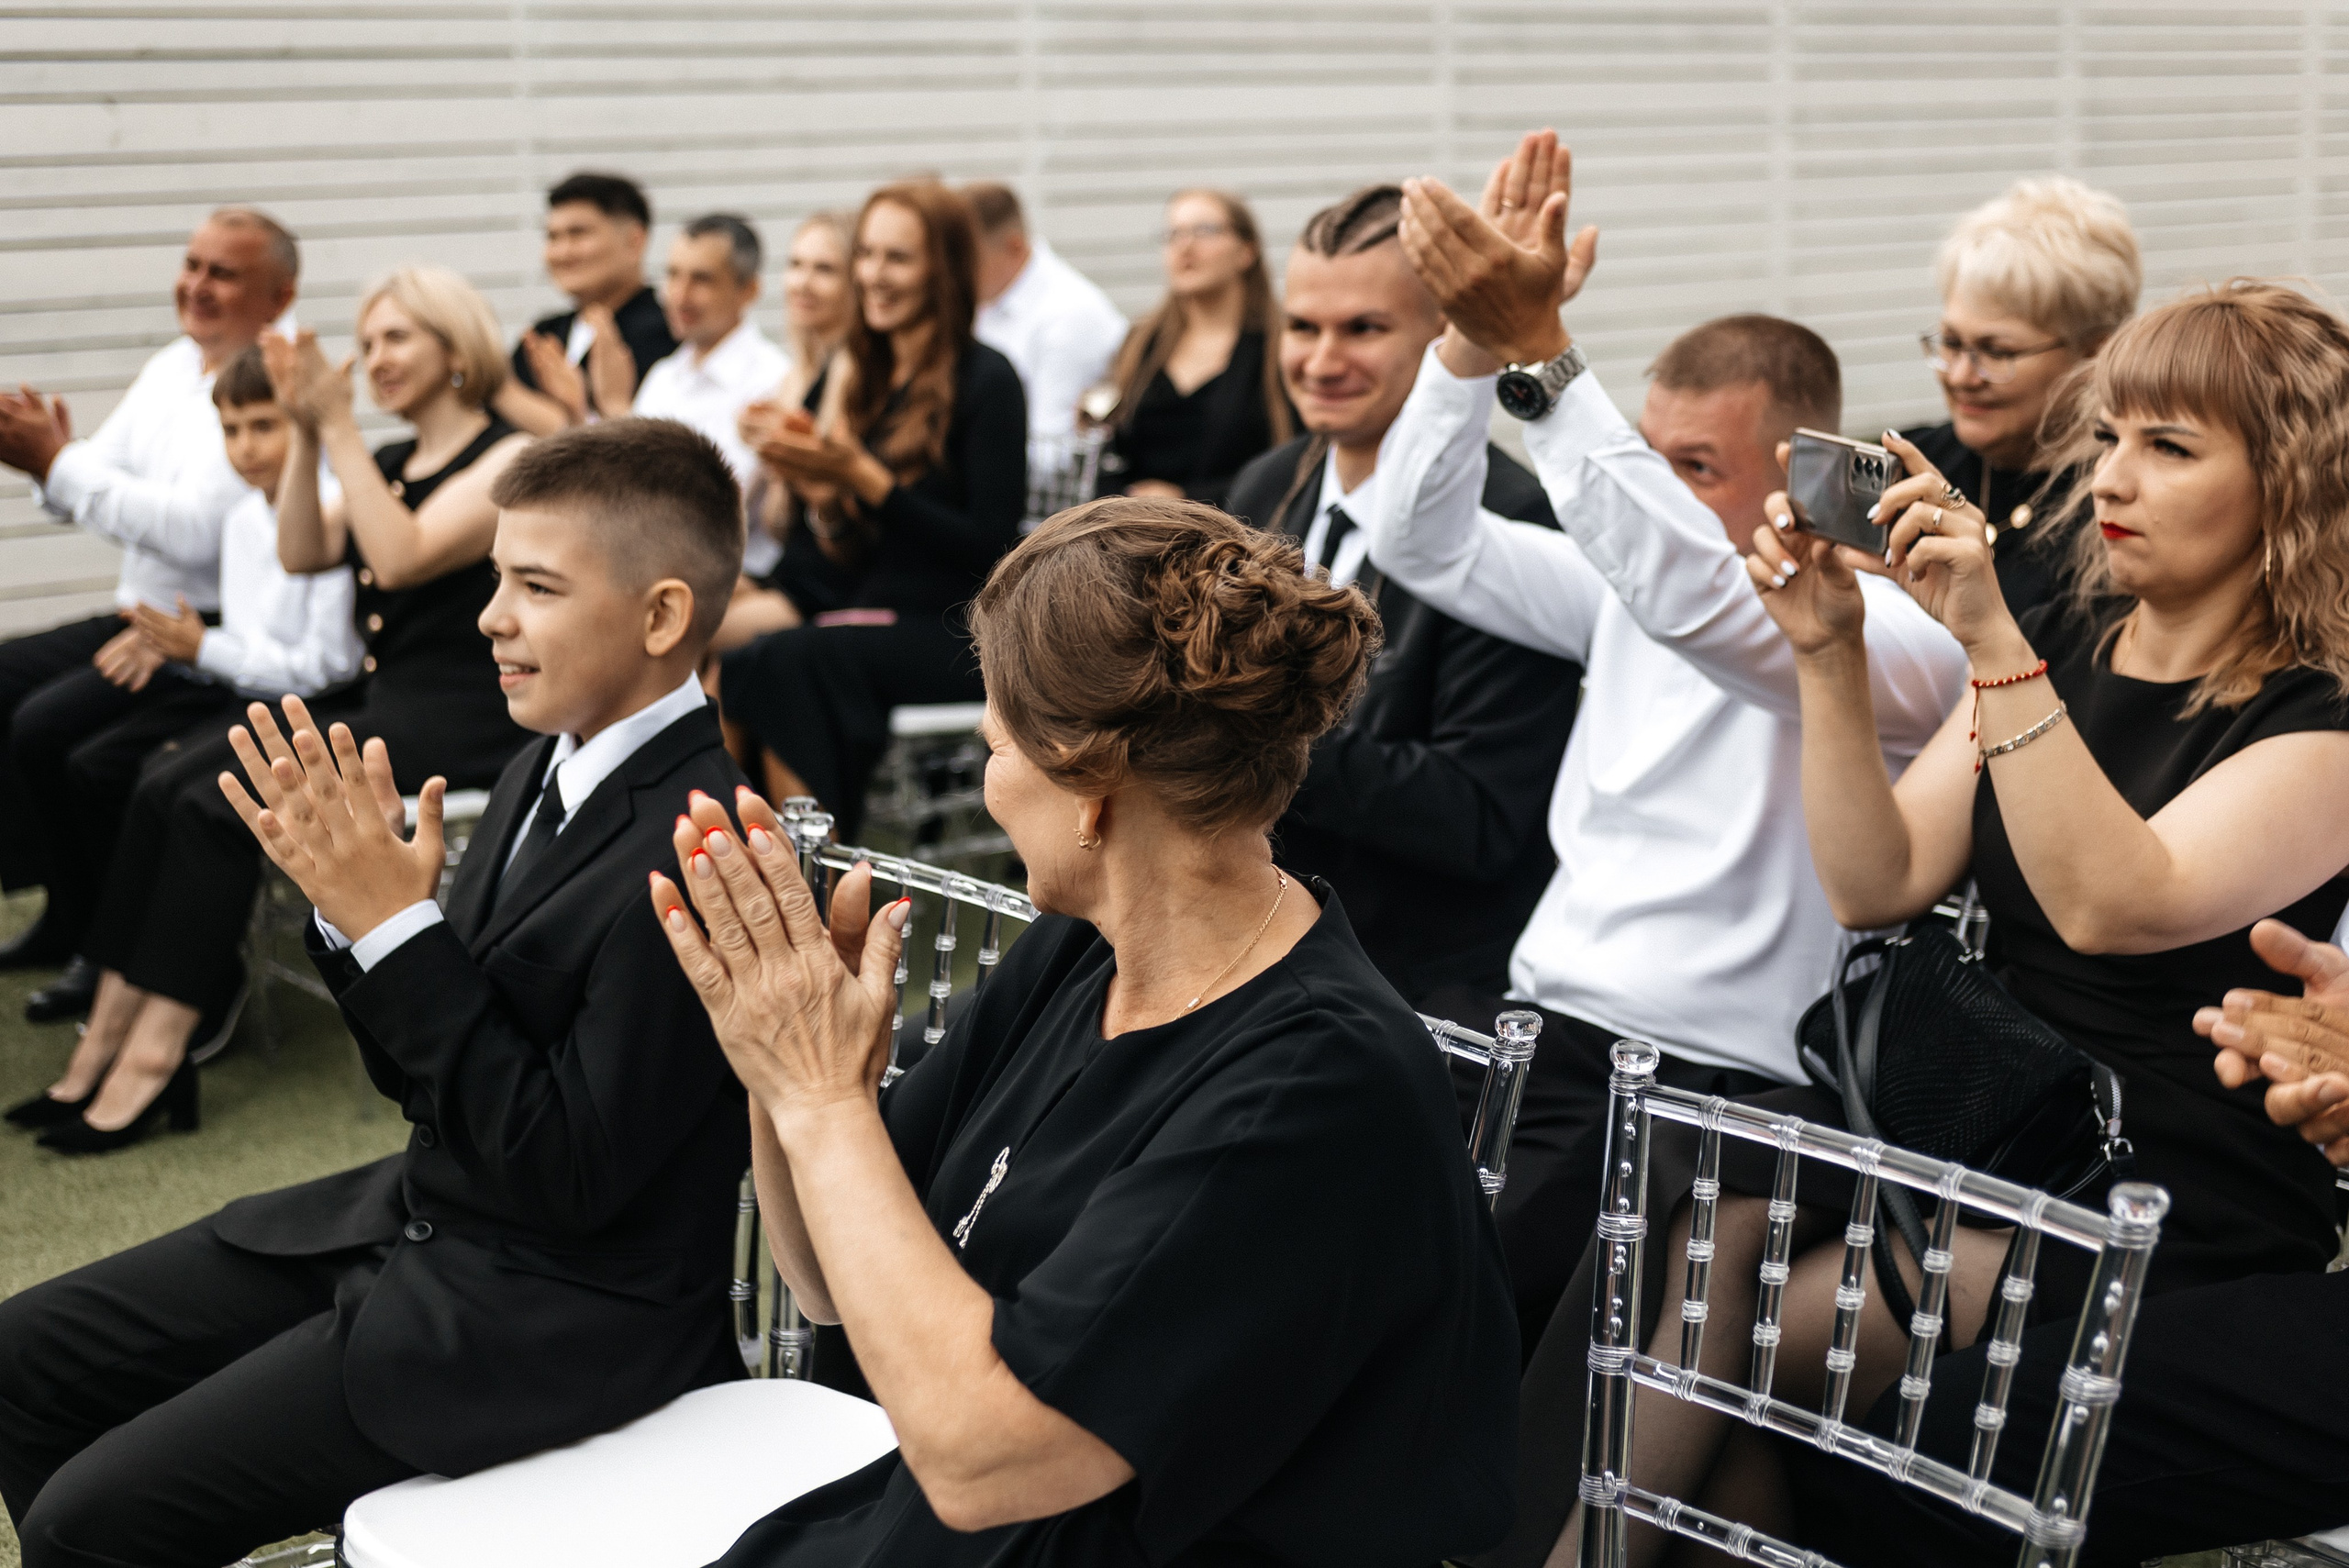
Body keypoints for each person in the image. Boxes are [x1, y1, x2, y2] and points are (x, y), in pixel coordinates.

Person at [1537, 279, 2349, 1568]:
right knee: (1719, 1242)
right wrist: (1826, 653)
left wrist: (1986, 634)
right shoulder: (2076, 643)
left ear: (2292, 486)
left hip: (2160, 1191)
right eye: (2110, 439)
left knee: (1729, 1323)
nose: (2111, 481)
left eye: (2170, 447)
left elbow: (2108, 900)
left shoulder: (2318, 720)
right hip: (1987, 1142)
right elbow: (1878, 877)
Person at [653, 498, 1520, 1568]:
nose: (988, 776)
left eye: (997, 742)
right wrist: (783, 1073)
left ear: (1091, 782)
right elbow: (828, 1282)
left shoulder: (1315, 1083)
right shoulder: (1082, 951)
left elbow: (986, 1457)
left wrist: (828, 1100)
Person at [0, 417, 753, 1568]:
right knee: (22, 1355)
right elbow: (420, 1078)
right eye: (495, 576)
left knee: (82, 1522)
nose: (492, 615)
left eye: (535, 585)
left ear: (661, 616)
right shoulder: (540, 767)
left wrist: (399, 930)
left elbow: (566, 1175)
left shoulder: (705, 844)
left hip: (549, 1311)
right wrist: (364, 923)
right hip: (409, 1219)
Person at [1359, 130, 1966, 1355]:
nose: (1659, 489)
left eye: (1696, 466)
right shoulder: (1624, 590)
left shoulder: (1906, 643)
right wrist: (1474, 346)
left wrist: (1545, 356)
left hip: (1718, 1096)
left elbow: (1710, 610)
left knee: (1441, 1345)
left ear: (1798, 471)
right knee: (1358, 1276)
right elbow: (1416, 538)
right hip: (1538, 1036)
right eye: (1653, 454)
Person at [20, 266, 529, 1153]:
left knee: (225, 799)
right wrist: (304, 431)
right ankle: (102, 1040)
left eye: (397, 337)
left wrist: (335, 427)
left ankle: (158, 1056)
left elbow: (401, 555)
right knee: (166, 779)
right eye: (367, 342)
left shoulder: (509, 454)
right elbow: (300, 548)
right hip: (390, 698)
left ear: (458, 347)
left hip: (462, 711)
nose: (375, 358)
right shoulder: (396, 460)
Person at [1774, 917, 2349, 1566]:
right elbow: (1868, 890)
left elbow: (2095, 900)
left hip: (2170, 1174)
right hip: (2023, 1099)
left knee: (1939, 1446)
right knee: (1711, 1208)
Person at [1223, 183, 1580, 1005]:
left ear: (1445, 340)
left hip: (1419, 993)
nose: (1320, 360)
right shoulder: (1269, 482)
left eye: (1364, 329)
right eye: (1303, 327)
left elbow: (1480, 816)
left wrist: (1235, 725)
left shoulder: (1516, 524)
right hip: (1255, 951)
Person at [1, 348, 360, 1100]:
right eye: (232, 429)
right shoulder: (240, 518)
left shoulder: (328, 511)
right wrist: (177, 644)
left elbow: (322, 667)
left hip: (305, 712)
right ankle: (113, 968)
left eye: (266, 426)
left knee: (159, 782)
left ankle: (198, 980)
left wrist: (200, 646)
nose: (247, 446)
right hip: (239, 687)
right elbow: (239, 649)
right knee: (95, 762)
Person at [0, 207, 298, 980]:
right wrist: (55, 464)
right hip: (146, 610)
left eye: (221, 273)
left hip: (216, 627)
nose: (195, 285)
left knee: (48, 728)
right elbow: (92, 477)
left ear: (279, 293)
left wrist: (60, 463)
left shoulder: (276, 382)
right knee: (8, 682)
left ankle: (101, 937)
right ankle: (69, 910)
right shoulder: (174, 364)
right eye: (192, 264)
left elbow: (193, 531)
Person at [719, 180, 1026, 838]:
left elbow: (991, 551)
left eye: (897, 258)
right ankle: (741, 857)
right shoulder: (858, 373)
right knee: (750, 659)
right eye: (867, 255)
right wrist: (823, 494)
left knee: (787, 658)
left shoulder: (989, 379)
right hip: (864, 608)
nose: (873, 276)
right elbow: (847, 547)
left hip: (951, 628)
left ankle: (810, 877)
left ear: (940, 270)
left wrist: (866, 478)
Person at [1903, 176, 2143, 616]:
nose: (1960, 376)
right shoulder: (1910, 464)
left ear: (2095, 353)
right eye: (1952, 343)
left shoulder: (2120, 517)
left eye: (1997, 352)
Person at [1095, 189, 1291, 507]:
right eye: (1173, 234)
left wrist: (1189, 500)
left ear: (1247, 251)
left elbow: (1291, 464)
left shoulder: (1277, 347)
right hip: (1137, 538)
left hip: (1238, 539)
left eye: (1206, 231)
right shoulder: (1141, 344)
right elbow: (1111, 457)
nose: (1185, 246)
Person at [721, 212, 860, 652]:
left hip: (831, 587)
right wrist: (766, 453)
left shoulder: (858, 374)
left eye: (824, 269)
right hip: (789, 572)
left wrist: (791, 456)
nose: (802, 282)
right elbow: (776, 523)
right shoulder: (799, 374)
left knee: (688, 638)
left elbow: (845, 524)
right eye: (796, 265)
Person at [964, 181, 1130, 488]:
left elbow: (1052, 456)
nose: (957, 274)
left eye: (968, 260)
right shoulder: (989, 298)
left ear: (1015, 246)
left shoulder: (1069, 316)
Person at [495, 171, 678, 435]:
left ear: (634, 242)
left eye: (578, 234)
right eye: (553, 237)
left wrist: (495, 387)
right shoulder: (546, 332)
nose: (562, 252)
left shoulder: (666, 331)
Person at [632, 214, 789, 493]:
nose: (679, 296)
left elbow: (722, 505)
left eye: (701, 279)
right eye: (672, 274)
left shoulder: (773, 380)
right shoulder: (663, 376)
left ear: (749, 290)